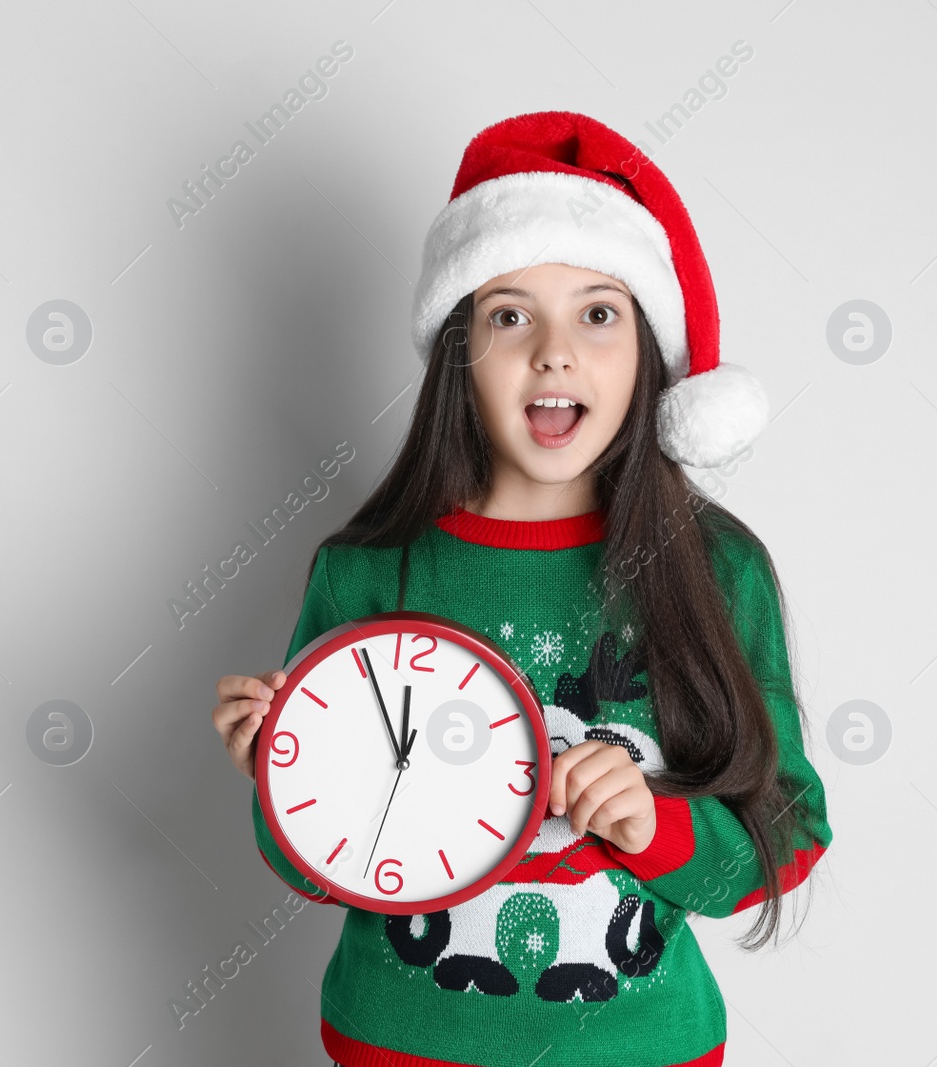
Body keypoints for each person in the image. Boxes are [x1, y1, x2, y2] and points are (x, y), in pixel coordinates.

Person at [211, 111, 833, 1067]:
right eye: (510, 314)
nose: (554, 350)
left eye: (597, 312)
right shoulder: (369, 569)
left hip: (642, 1049)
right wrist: (283, 775)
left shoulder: (717, 570)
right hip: (398, 1042)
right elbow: (314, 869)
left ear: (647, 352)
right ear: (460, 350)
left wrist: (655, 824)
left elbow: (786, 837)